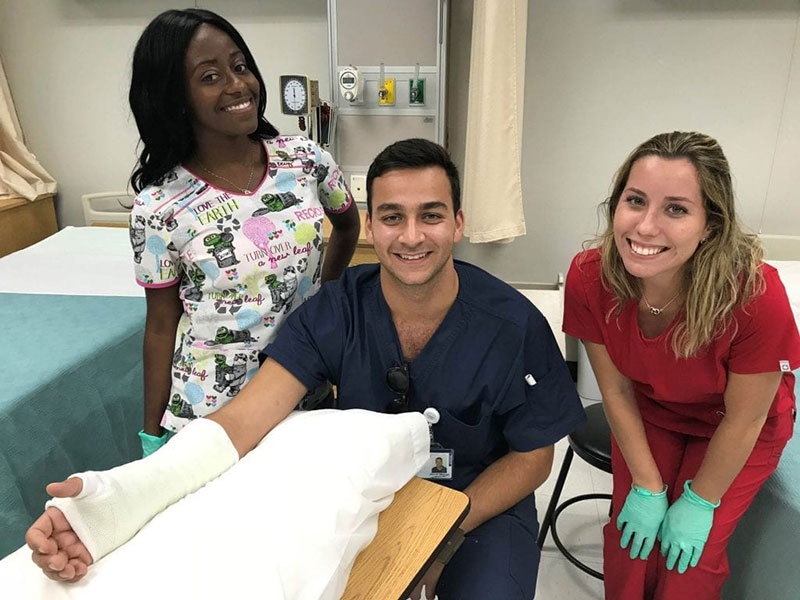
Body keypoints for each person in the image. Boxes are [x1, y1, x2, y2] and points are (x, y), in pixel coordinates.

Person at [27, 138, 586, 599]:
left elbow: (533, 456)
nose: (411, 236)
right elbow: (243, 421)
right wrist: (116, 502)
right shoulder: (337, 309)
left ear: (458, 223)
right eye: (393, 217)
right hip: (365, 489)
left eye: (431, 216)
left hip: (474, 498)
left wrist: (440, 537)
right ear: (371, 225)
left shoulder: (512, 325)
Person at [563, 131, 800, 599]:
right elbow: (615, 390)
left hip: (738, 428)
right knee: (632, 545)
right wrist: (649, 488)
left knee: (688, 562)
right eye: (635, 201)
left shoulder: (754, 295)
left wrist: (698, 501)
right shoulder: (590, 277)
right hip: (654, 414)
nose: (646, 227)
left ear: (710, 224)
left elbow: (747, 416)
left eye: (676, 209)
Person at [127, 9, 360, 456]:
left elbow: (349, 224)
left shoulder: (304, 159)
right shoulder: (158, 207)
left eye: (240, 66)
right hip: (211, 412)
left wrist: (322, 300)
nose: (238, 85)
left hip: (304, 387)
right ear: (174, 95)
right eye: (210, 76)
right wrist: (151, 434)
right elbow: (160, 327)